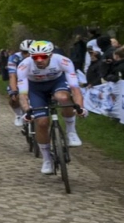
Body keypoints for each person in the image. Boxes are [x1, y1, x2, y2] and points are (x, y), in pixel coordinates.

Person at [16, 40, 86, 170]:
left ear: (51, 55)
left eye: (43, 57)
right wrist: (27, 111)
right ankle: (47, 158)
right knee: (42, 123)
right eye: (35, 57)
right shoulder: (24, 66)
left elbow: (75, 88)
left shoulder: (63, 61)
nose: (39, 60)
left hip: (57, 83)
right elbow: (23, 94)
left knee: (63, 98)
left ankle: (71, 132)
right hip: (36, 89)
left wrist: (80, 107)